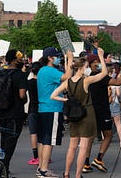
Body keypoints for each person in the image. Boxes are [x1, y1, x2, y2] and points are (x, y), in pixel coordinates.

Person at [51, 48, 107, 178]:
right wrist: (101, 56)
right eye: (86, 66)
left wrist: (67, 100)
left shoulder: (68, 82)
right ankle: (77, 174)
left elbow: (53, 96)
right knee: (83, 147)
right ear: (81, 68)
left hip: (74, 115)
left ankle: (66, 173)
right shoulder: (86, 80)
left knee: (72, 146)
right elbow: (104, 73)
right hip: (87, 114)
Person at [82, 54, 121, 173]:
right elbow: (118, 82)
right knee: (108, 135)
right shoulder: (101, 77)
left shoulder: (89, 77)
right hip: (102, 111)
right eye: (95, 61)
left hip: (91, 111)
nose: (99, 63)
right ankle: (98, 159)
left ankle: (86, 163)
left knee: (90, 138)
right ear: (90, 64)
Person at [37, 47, 73, 178]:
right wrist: (70, 59)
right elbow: (67, 77)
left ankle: (41, 167)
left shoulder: (42, 71)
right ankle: (44, 170)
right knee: (49, 141)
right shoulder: (50, 71)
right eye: (56, 56)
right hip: (52, 108)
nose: (58, 58)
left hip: (43, 108)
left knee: (42, 140)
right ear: (50, 58)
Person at [0, 49, 28, 175]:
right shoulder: (20, 75)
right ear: (15, 60)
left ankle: (3, 168)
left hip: (2, 112)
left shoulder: (1, 73)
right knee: (11, 144)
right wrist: (24, 99)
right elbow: (22, 95)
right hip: (15, 113)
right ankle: (3, 170)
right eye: (19, 58)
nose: (22, 60)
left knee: (4, 142)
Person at [27, 62, 42, 165]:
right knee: (42, 133)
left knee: (33, 133)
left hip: (32, 108)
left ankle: (35, 156)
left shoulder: (29, 82)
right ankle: (43, 155)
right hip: (42, 108)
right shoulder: (42, 83)